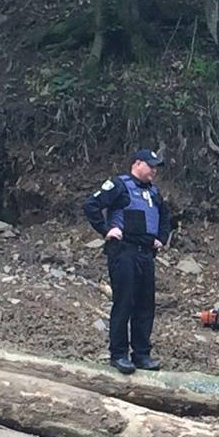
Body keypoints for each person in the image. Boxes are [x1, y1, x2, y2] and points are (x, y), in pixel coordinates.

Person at [84, 148, 171, 374]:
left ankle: (142, 354)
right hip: (124, 252)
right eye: (150, 166)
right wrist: (106, 230)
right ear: (137, 163)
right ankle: (119, 354)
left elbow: (166, 217)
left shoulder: (154, 193)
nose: (153, 170)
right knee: (124, 302)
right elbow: (91, 205)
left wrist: (161, 239)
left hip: (145, 254)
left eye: (155, 167)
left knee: (145, 305)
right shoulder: (119, 186)